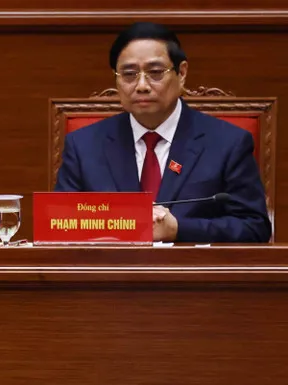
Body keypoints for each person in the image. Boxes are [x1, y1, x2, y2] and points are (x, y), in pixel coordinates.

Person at [54, 22, 271, 243]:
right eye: (129, 74)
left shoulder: (228, 143)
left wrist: (179, 229)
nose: (141, 86)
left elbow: (254, 228)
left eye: (155, 73)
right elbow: (58, 226)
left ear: (181, 73)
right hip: (111, 264)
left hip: (191, 265)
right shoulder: (84, 146)